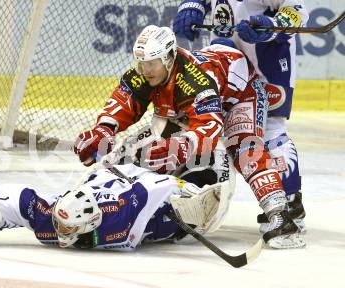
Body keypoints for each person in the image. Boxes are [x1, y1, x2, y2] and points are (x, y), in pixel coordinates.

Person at [72, 25, 303, 248]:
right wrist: (103, 129)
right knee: (140, 148)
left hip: (241, 95)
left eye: (152, 63)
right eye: (142, 64)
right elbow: (123, 102)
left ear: (169, 58)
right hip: (192, 104)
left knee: (244, 148)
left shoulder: (196, 80)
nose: (146, 70)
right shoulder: (144, 73)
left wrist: (181, 147)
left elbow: (209, 128)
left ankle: (281, 215)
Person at [173, 0, 308, 243]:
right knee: (211, 122)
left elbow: (297, 9)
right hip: (225, 55)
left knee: (269, 129)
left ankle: (288, 202)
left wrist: (272, 26)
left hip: (268, 58)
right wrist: (190, 6)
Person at [0, 164, 228, 249]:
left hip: (136, 180)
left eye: (68, 227)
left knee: (171, 219)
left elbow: (156, 185)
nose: (61, 232)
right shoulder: (52, 220)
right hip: (105, 175)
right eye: (60, 224)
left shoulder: (124, 215)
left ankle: (208, 175)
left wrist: (188, 191)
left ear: (89, 224)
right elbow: (8, 197)